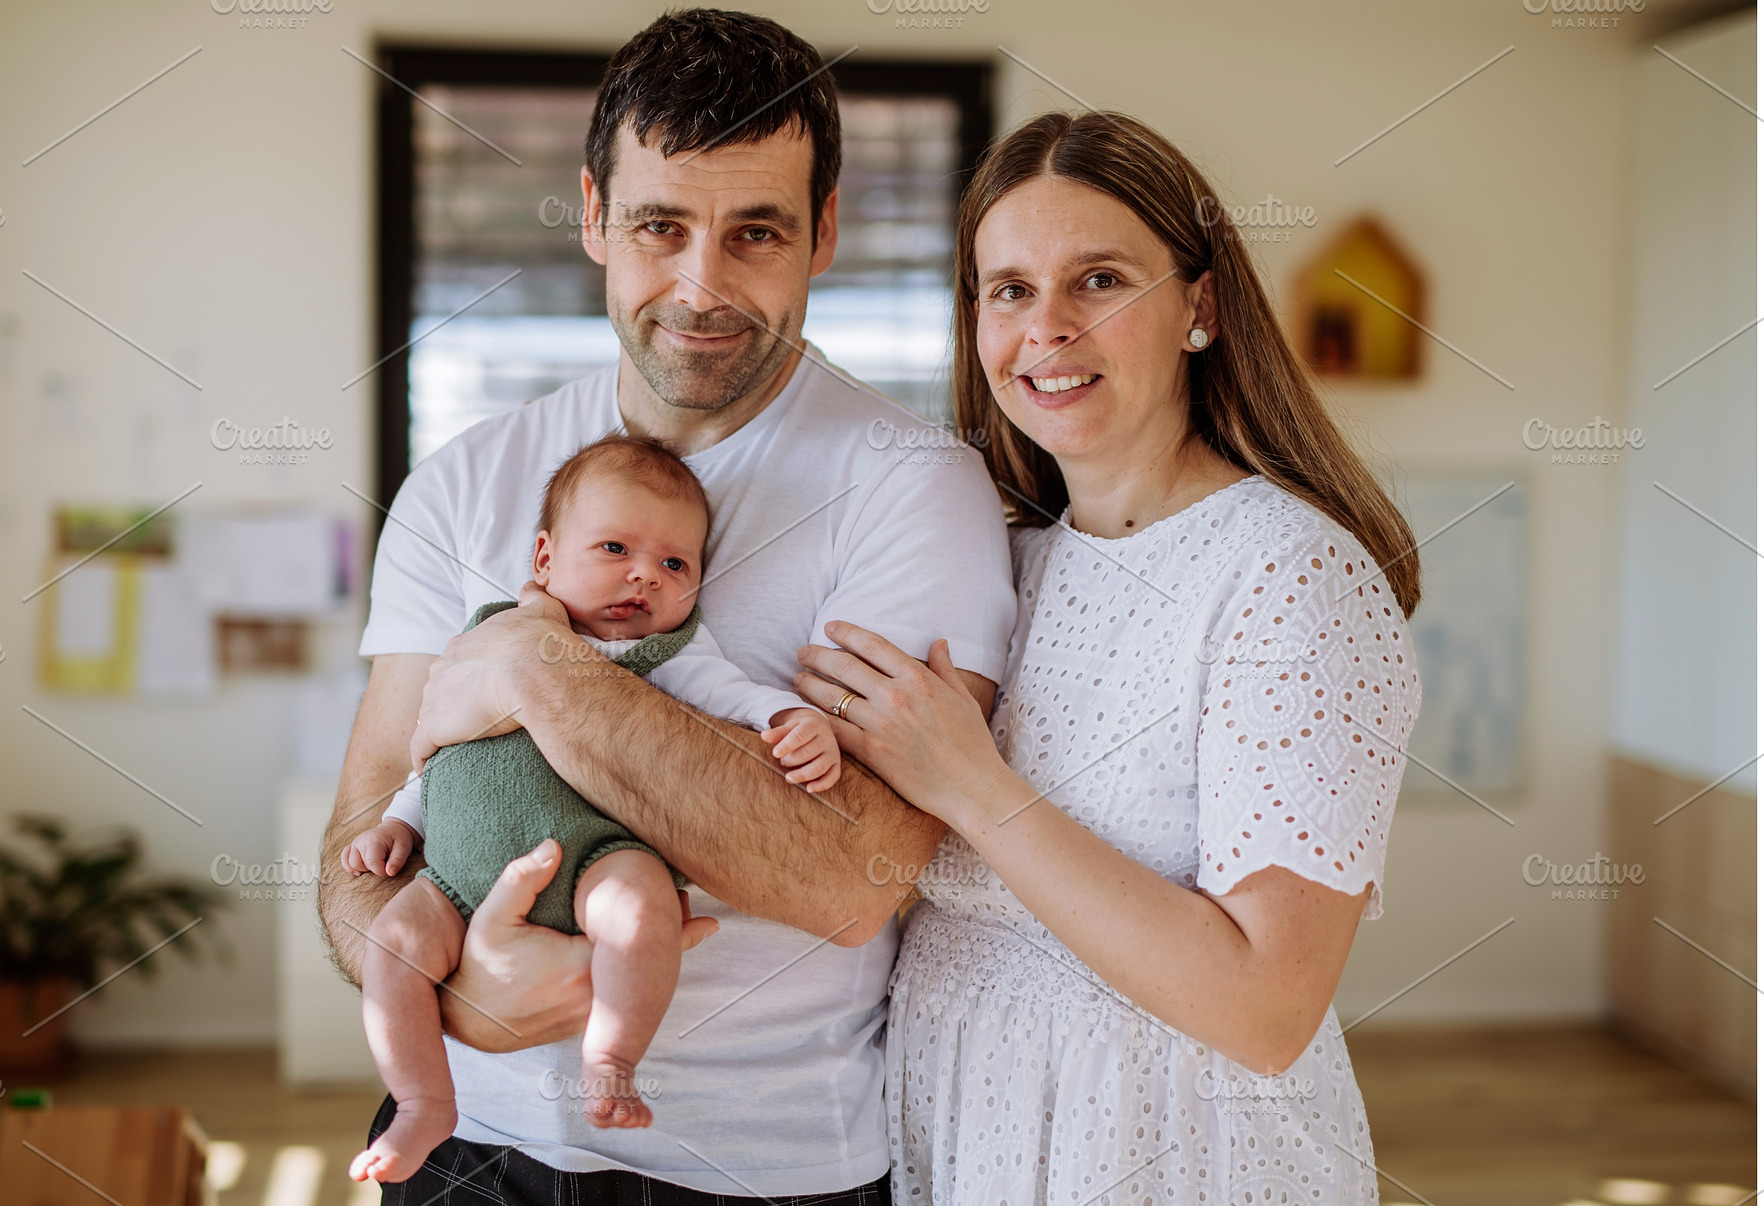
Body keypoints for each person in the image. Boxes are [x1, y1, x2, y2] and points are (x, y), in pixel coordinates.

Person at [316, 10, 1017, 1203]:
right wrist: (466, 1007)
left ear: (824, 232)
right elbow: (354, 850)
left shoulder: (912, 491)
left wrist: (537, 671)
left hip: (756, 1169)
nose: (702, 286)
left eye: (756, 232)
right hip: (459, 1155)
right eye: (659, 225)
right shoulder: (463, 482)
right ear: (593, 214)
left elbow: (851, 878)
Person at [786, 112, 1425, 1203]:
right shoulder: (999, 562)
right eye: (1008, 290)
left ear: (1199, 307)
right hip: (963, 1128)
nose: (1047, 331)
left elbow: (1265, 1008)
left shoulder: (1289, 576)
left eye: (1098, 281)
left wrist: (973, 789)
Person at [343, 435, 841, 1182]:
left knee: (645, 909)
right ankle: (421, 1102)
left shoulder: (674, 654)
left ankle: (611, 1056)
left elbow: (741, 701)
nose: (646, 574)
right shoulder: (491, 634)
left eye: (676, 564)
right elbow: (435, 749)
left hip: (596, 856)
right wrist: (398, 823)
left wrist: (791, 722)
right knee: (392, 943)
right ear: (545, 561)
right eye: (615, 547)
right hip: (450, 879)